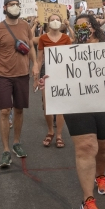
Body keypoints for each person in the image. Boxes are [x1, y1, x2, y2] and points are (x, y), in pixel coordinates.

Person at [37, 13, 105, 209]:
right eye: (79, 26)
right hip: (77, 103)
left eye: (87, 26)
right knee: (86, 147)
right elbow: (57, 72)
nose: (83, 29)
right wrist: (47, 80)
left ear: (94, 27)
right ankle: (87, 199)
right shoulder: (68, 49)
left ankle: (100, 175)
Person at [0, 0, 37, 168]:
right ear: (5, 7)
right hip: (3, 75)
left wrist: (35, 64)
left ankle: (16, 142)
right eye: (11, 5)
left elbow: (30, 45)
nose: (15, 7)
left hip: (22, 74)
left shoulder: (25, 26)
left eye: (17, 5)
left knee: (19, 110)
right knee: (4, 111)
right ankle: (6, 150)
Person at [33, 14, 72, 149]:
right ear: (48, 23)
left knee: (60, 105)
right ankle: (50, 131)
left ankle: (59, 135)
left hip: (62, 73)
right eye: (52, 20)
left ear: (61, 23)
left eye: (57, 19)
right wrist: (36, 77)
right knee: (48, 105)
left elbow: (70, 58)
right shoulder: (43, 38)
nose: (55, 21)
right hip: (47, 73)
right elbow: (39, 59)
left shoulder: (66, 38)